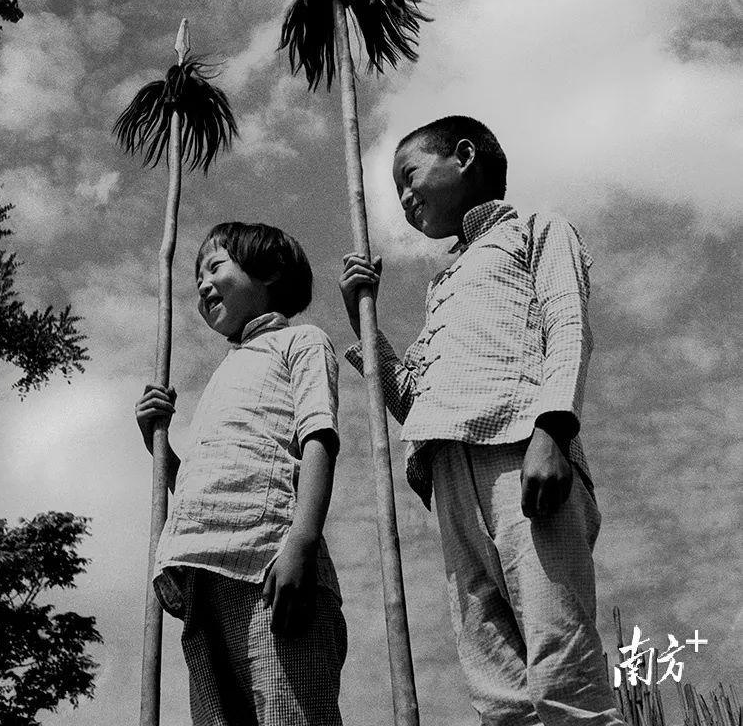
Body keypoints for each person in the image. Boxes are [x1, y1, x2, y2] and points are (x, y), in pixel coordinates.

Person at [340, 115, 624, 726]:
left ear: (464, 156)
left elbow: (567, 325)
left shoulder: (535, 230)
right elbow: (415, 403)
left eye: (410, 175)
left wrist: (553, 432)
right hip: (448, 478)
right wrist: (366, 325)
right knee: (498, 692)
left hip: (522, 455)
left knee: (561, 662)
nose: (404, 197)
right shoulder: (443, 283)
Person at [136, 221, 346, 726]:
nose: (203, 285)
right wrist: (157, 444)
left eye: (215, 267)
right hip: (202, 577)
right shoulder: (224, 373)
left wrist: (301, 542)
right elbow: (204, 489)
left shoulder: (300, 342)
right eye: (196, 279)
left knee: (289, 713)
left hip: (270, 564)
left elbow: (318, 437)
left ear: (269, 272)